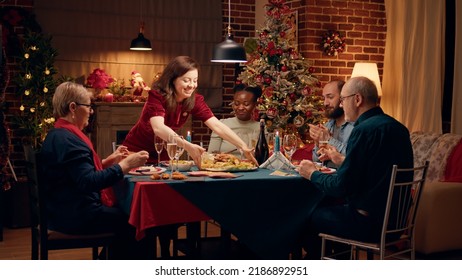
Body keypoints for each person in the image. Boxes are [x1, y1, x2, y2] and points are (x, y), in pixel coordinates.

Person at [297, 76, 414, 259]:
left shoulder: (364, 130)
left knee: (307, 216)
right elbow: (372, 171)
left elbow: (341, 186)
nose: (342, 106)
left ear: (357, 99)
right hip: (396, 224)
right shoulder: (399, 128)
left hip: (367, 223)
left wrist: (312, 174)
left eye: (343, 99)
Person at [39, 82, 151, 259]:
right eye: (88, 107)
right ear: (73, 107)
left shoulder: (59, 134)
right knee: (139, 221)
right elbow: (88, 182)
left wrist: (107, 162)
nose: (91, 111)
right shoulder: (70, 140)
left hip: (60, 211)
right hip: (75, 216)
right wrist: (125, 165)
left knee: (132, 218)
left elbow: (76, 174)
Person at [123, 56, 258, 166]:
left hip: (162, 155)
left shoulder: (194, 100)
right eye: (186, 80)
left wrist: (243, 146)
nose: (192, 85)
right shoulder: (157, 96)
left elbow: (217, 125)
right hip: (135, 152)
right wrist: (188, 146)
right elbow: (159, 129)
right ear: (172, 80)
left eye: (195, 80)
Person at [207, 84, 261, 157]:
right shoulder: (221, 125)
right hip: (225, 166)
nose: (240, 108)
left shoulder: (261, 128)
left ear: (255, 105)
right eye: (237, 103)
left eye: (246, 104)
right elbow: (211, 155)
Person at [309, 80, 353, 168]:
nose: (325, 103)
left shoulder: (355, 126)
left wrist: (328, 139)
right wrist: (318, 143)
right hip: (326, 179)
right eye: (324, 98)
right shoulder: (328, 126)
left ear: (343, 98)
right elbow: (316, 160)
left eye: (330, 97)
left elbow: (354, 158)